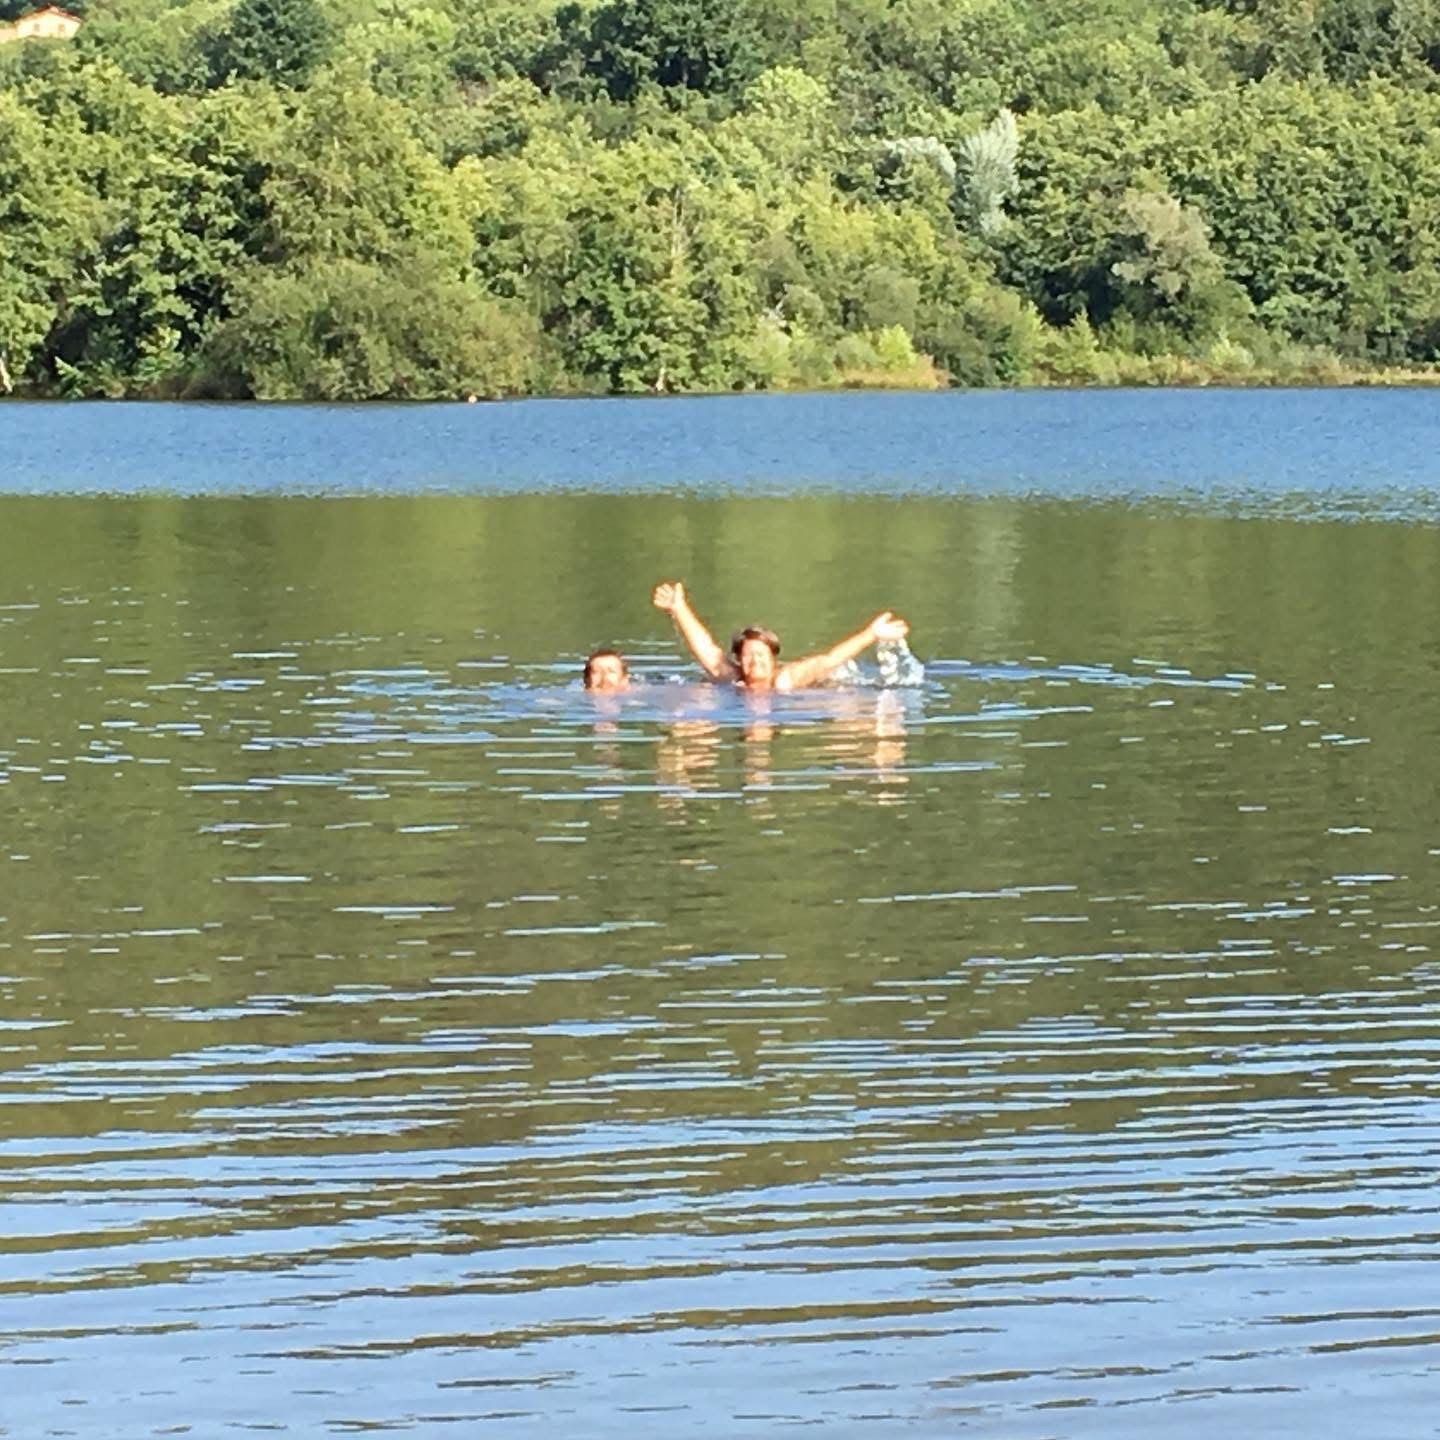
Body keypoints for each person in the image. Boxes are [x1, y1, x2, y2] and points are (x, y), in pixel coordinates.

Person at [651, 580, 909, 691]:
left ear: (774, 658)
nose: (756, 661)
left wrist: (871, 634)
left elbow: (828, 661)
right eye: (749, 655)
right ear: (739, 659)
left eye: (762, 655)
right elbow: (705, 649)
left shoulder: (785, 680)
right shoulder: (732, 679)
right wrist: (679, 608)